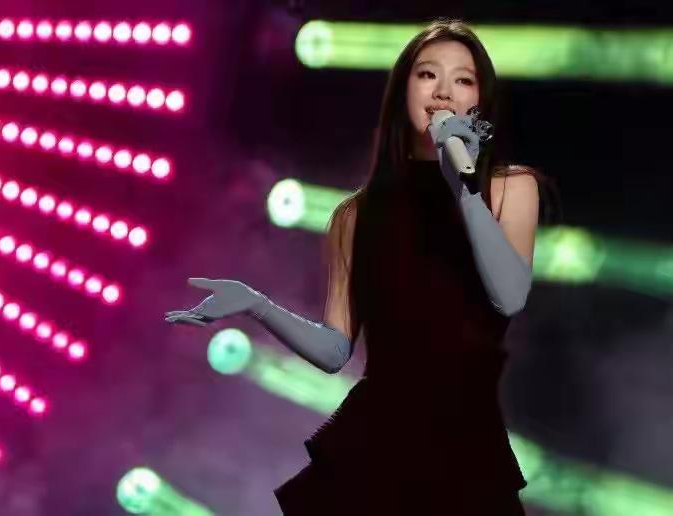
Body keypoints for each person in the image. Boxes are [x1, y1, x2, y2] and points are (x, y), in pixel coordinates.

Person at [166, 17, 543, 515]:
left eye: (463, 79)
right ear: (403, 91)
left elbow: (509, 293)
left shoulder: (509, 189)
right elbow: (334, 350)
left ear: (480, 98)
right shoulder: (357, 216)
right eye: (427, 74)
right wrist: (257, 305)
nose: (443, 91)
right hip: (377, 439)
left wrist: (464, 188)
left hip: (464, 438)